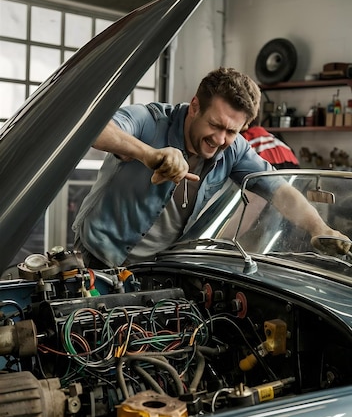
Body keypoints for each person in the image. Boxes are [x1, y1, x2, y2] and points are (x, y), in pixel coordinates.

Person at [72, 67, 350, 269]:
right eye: (215, 125)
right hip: (99, 258)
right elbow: (94, 130)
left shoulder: (235, 148)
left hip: (158, 268)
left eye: (231, 130)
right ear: (195, 106)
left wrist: (319, 228)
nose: (220, 139)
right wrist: (150, 155)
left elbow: (278, 189)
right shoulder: (150, 120)